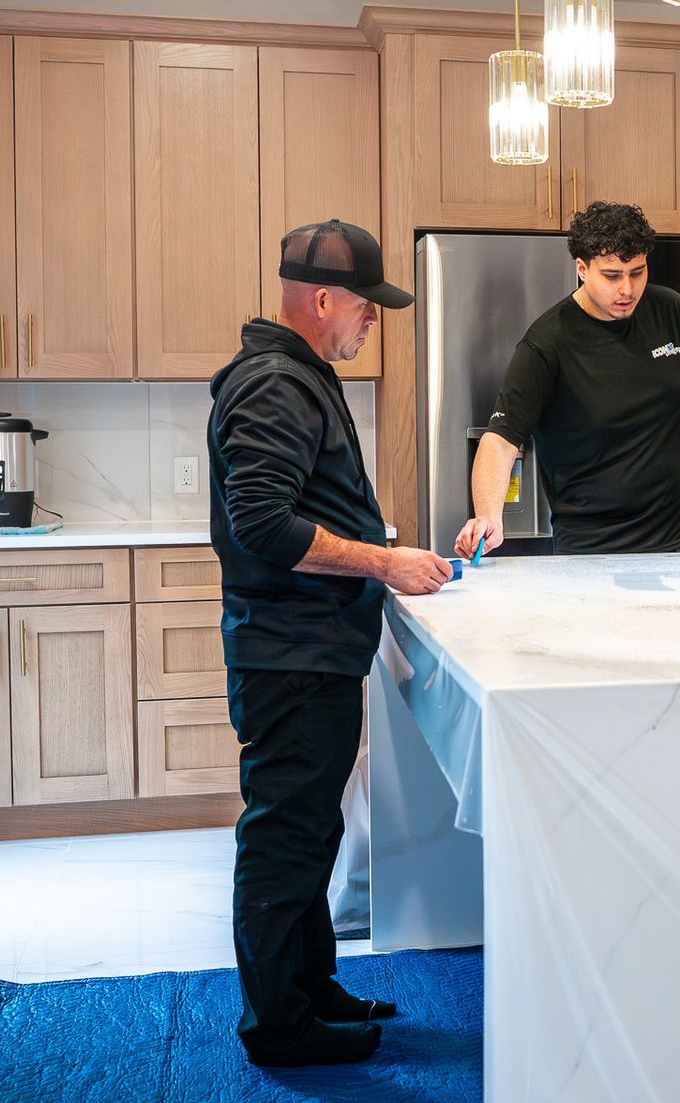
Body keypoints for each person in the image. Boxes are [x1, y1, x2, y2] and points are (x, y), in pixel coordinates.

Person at [208, 219, 453, 1068]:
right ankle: (278, 1027)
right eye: (367, 306)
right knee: (284, 836)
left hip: (308, 650)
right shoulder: (275, 385)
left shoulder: (297, 375)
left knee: (310, 834)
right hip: (291, 653)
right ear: (321, 300)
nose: (373, 320)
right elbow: (266, 524)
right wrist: (384, 561)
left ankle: (311, 991)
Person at [455, 200, 680, 559]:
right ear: (583, 268)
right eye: (612, 275)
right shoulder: (547, 343)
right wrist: (488, 516)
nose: (627, 289)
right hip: (594, 549)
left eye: (637, 272)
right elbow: (501, 440)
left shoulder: (671, 311)